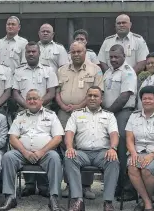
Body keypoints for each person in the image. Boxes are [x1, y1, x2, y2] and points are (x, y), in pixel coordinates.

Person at [0, 89, 64, 211]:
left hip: (45, 154)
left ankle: (54, 198)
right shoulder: (20, 116)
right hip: (23, 153)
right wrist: (25, 152)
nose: (32, 101)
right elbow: (12, 137)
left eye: (35, 98)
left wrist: (41, 151)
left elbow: (58, 137)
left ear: (41, 100)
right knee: (8, 157)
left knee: (55, 158)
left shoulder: (51, 115)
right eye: (29, 99)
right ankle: (10, 197)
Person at [55, 41, 103, 198]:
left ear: (85, 52)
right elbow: (56, 91)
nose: (76, 54)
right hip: (64, 112)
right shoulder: (61, 70)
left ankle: (86, 186)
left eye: (79, 52)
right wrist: (62, 104)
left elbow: (97, 92)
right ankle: (70, 184)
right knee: (66, 146)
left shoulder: (95, 70)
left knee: (85, 145)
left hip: (85, 112)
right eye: (73, 52)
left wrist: (78, 106)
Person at [11, 42, 59, 197]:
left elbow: (52, 92)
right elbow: (15, 92)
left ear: (39, 53)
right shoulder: (18, 71)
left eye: (33, 51)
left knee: (42, 141)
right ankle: (30, 185)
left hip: (44, 111)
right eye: (28, 52)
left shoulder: (48, 70)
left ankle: (44, 186)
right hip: (22, 112)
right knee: (26, 142)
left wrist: (37, 104)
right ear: (25, 54)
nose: (31, 54)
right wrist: (28, 105)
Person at [63, 86, 120, 211]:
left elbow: (114, 134)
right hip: (82, 153)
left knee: (113, 160)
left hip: (102, 153)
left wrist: (113, 148)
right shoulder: (76, 114)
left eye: (96, 96)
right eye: (90, 95)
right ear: (86, 98)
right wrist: (69, 147)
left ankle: (108, 202)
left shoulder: (109, 116)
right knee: (69, 157)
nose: (92, 98)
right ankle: (77, 200)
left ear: (101, 99)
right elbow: (69, 133)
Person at [103, 44, 139, 201]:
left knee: (123, 150)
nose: (113, 59)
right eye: (111, 57)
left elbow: (125, 96)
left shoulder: (128, 72)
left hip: (122, 113)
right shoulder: (108, 72)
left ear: (124, 56)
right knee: (112, 150)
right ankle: (117, 186)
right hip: (109, 113)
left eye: (116, 56)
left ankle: (129, 189)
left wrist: (108, 112)